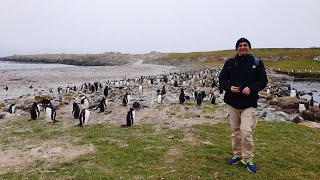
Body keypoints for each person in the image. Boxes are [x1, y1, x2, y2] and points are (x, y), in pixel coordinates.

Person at [219, 37, 268, 173]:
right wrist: (229, 87)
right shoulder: (230, 63)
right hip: (232, 102)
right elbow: (222, 80)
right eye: (240, 45)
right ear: (237, 48)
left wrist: (251, 88)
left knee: (246, 131)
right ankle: (237, 155)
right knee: (235, 131)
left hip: (249, 103)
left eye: (245, 45)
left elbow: (263, 80)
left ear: (249, 48)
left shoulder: (257, 63)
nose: (242, 47)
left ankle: (247, 158)